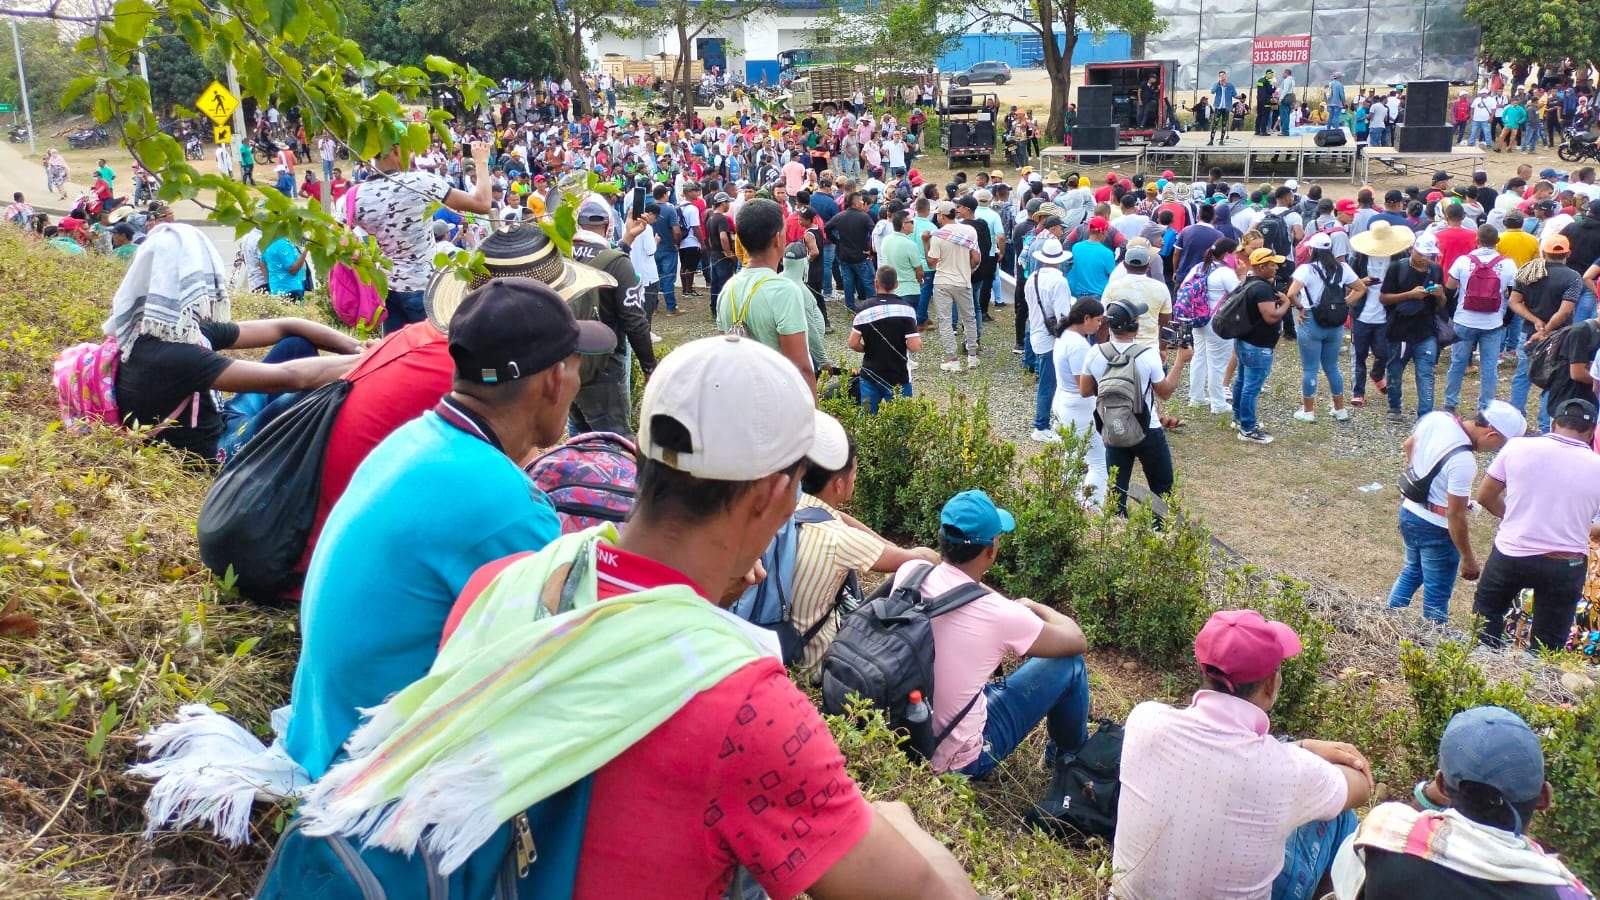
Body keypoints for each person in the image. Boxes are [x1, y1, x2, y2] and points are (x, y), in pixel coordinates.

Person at [297, 335, 981, 899]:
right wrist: (904, 821)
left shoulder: (502, 585)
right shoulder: (748, 707)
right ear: (773, 496)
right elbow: (926, 893)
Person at [285, 278, 612, 779]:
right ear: (552, 380)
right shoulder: (509, 507)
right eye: (576, 365)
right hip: (370, 773)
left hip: (320, 734)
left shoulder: (413, 440)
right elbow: (565, 670)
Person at [1113, 609, 1372, 900]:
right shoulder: (1286, 771)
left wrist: (1302, 748)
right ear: (1271, 685)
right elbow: (1361, 786)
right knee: (1340, 817)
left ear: (1202, 668)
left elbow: (1215, 762)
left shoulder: (1144, 720)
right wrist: (1314, 758)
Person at [108, 224, 359, 465]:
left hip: (226, 418)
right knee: (314, 394)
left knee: (295, 344)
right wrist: (371, 358)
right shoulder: (169, 353)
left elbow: (286, 326)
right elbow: (293, 378)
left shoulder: (176, 331)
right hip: (221, 448)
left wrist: (356, 346)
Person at [888, 489, 1091, 778]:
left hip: (904, 729)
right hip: (957, 761)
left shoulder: (912, 572)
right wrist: (1034, 605)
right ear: (990, 551)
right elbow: (1077, 640)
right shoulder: (1001, 614)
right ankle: (1069, 757)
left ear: (941, 537)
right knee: (1070, 666)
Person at [1330, 706, 1592, 899]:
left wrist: (1424, 797)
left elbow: (1343, 878)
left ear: (1442, 785)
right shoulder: (1566, 892)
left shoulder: (1382, 841)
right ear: (1544, 798)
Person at [792, 435, 940, 673]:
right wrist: (912, 553)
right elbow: (924, 560)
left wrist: (889, 545)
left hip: (781, 644)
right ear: (838, 485)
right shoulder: (840, 540)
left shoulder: (791, 506)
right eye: (854, 473)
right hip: (815, 664)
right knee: (907, 579)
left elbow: (840, 518)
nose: (856, 478)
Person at [1471, 398, 1600, 651]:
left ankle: (1483, 673)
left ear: (1553, 423)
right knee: (1548, 643)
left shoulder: (1517, 447)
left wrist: (1518, 517)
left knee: (1487, 615)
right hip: (1566, 562)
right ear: (1592, 431)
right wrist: (1575, 527)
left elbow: (1484, 496)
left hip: (1512, 553)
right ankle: (1536, 687)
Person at [1384, 401, 1525, 627]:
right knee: (1437, 595)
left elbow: (1409, 444)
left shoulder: (1439, 419)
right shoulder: (1464, 461)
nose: (1496, 450)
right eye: (1500, 444)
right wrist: (1468, 559)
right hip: (1436, 530)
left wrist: (1422, 481)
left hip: (1410, 512)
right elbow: (1455, 516)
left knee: (1412, 571)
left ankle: (1385, 620)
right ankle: (1435, 640)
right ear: (1491, 434)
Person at [354, 130, 492, 334]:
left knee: (399, 355)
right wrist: (481, 162)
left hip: (387, 290)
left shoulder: (356, 195)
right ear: (395, 149)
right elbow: (482, 203)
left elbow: (339, 241)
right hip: (423, 289)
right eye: (408, 148)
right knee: (438, 354)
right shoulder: (418, 182)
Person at [1079, 298, 1193, 521]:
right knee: (1162, 488)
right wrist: (1180, 361)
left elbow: (1084, 390)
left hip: (1112, 426)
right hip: (1146, 428)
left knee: (1116, 489)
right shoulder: (1148, 354)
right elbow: (1165, 392)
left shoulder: (1095, 353)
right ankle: (1159, 534)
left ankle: (1116, 532)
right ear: (1135, 325)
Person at [571, 199, 655, 438]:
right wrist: (649, 367)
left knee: (580, 439)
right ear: (608, 226)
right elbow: (635, 322)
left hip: (566, 362)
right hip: (603, 366)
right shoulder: (618, 264)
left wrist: (627, 238)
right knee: (615, 442)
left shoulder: (560, 256)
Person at [716, 198, 817, 394]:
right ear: (777, 239)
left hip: (740, 396)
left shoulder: (728, 288)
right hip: (776, 401)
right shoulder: (784, 290)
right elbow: (800, 367)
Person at [1509, 236, 1585, 431]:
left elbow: (1514, 302)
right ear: (1568, 253)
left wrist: (1536, 322)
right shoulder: (1572, 277)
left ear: (1544, 253)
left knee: (1523, 376)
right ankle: (1545, 426)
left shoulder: (1529, 272)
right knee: (1554, 381)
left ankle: (1514, 420)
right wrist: (1547, 330)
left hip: (1529, 333)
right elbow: (1565, 311)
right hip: (1559, 338)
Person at [1287, 233, 1363, 422]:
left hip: (1312, 319)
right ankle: (1339, 409)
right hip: (1335, 322)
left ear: (1311, 250)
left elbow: (1291, 293)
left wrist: (1300, 308)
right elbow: (1361, 288)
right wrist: (1345, 303)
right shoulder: (1342, 268)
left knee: (1310, 368)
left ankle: (1308, 411)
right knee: (1332, 366)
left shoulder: (1306, 270)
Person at [1442, 225, 1517, 414]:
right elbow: (1513, 294)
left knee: (1458, 363)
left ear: (1477, 240)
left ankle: (1450, 403)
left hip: (1464, 319)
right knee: (1489, 368)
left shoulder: (1463, 261)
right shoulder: (1508, 264)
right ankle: (1485, 409)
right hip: (1492, 322)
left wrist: (1452, 314)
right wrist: (1506, 318)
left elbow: (1450, 289)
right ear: (1497, 242)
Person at [1380, 235, 1447, 422]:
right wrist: (1410, 295)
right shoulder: (1398, 267)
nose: (1424, 258)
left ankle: (1425, 414)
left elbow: (1442, 304)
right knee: (1395, 369)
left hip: (1426, 330)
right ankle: (1394, 406)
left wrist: (1440, 295)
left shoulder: (1435, 269)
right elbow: (1384, 297)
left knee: (1425, 373)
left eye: (1429, 255)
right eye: (1421, 253)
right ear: (1412, 250)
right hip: (1399, 330)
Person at [1233, 248, 1293, 444]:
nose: (1276, 267)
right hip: (1258, 345)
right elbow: (1271, 316)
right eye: (1272, 264)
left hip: (1244, 340)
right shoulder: (1262, 289)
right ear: (1261, 266)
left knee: (1242, 382)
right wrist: (1285, 304)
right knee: (1251, 387)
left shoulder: (1248, 283)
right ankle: (1248, 428)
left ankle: (1239, 418)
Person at [850, 266, 922, 412]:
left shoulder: (863, 309)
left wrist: (865, 348)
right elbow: (914, 346)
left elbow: (852, 343)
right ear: (896, 284)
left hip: (870, 373)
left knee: (868, 419)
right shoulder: (906, 309)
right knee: (901, 420)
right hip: (898, 375)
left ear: (876, 283)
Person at [926, 200, 982, 372]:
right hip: (963, 280)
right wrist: (968, 268)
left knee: (945, 321)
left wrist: (925, 243)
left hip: (943, 281)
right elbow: (976, 258)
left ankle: (953, 359)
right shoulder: (969, 231)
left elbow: (932, 263)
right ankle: (972, 356)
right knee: (969, 318)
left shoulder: (937, 236)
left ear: (941, 215)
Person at [827, 190, 878, 313]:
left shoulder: (840, 216)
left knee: (848, 283)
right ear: (856, 204)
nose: (862, 202)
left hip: (844, 255)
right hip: (860, 255)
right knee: (868, 282)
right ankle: (873, 308)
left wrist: (836, 240)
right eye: (860, 201)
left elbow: (827, 227)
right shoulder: (864, 217)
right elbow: (875, 232)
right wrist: (871, 249)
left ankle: (850, 308)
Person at [1209, 71, 1237, 145]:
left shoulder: (1230, 85)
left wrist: (1240, 97)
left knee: (1224, 124)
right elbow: (1212, 91)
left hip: (1226, 107)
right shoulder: (1217, 85)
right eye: (1220, 76)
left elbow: (1234, 94)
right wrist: (1218, 83)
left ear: (1226, 76)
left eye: (1223, 75)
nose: (1222, 77)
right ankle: (1211, 140)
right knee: (1215, 123)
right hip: (1218, 107)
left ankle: (1221, 140)